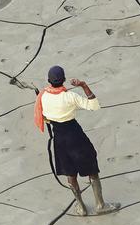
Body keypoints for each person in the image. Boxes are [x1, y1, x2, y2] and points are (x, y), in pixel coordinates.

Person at [35, 66, 119, 216]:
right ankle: (100, 204)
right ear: (64, 80)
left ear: (49, 81)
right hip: (76, 136)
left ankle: (81, 207)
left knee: (70, 173)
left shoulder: (43, 97)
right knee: (91, 169)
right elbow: (94, 105)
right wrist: (83, 85)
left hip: (59, 139)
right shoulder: (70, 96)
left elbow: (45, 118)